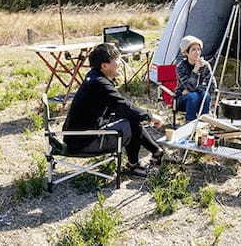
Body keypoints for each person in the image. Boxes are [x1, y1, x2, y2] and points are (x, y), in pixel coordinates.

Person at [62, 43, 164, 177]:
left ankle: (156, 151)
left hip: (77, 137)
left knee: (131, 117)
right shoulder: (99, 83)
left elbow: (120, 106)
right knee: (131, 123)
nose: (120, 63)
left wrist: (141, 115)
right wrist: (150, 116)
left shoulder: (94, 76)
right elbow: (121, 105)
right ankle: (137, 164)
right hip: (84, 142)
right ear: (104, 66)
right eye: (116, 60)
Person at [175, 35, 212, 122]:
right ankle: (190, 123)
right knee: (193, 96)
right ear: (186, 53)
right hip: (182, 100)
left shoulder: (205, 65)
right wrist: (195, 70)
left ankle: (204, 123)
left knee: (205, 95)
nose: (197, 52)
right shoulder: (180, 67)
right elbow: (190, 87)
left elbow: (212, 85)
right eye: (193, 50)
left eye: (198, 49)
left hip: (199, 95)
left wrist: (197, 89)